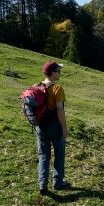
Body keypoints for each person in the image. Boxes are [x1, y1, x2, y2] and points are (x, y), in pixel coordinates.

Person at [37, 61, 70, 195]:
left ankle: (42, 183)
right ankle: (58, 182)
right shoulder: (57, 88)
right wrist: (64, 128)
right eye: (58, 71)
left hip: (40, 126)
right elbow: (60, 110)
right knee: (59, 154)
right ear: (52, 73)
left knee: (44, 155)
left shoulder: (36, 86)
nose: (60, 73)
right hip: (54, 125)